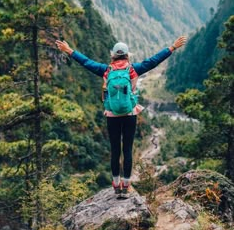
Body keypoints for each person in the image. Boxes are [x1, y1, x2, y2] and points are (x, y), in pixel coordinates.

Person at [55, 36, 186, 197]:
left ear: (113, 56)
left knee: (115, 150)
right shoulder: (133, 69)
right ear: (127, 55)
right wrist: (172, 47)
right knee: (128, 150)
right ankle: (126, 185)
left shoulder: (106, 70)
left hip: (112, 114)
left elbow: (87, 62)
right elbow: (153, 61)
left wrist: (69, 51)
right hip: (130, 113)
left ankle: (116, 186)